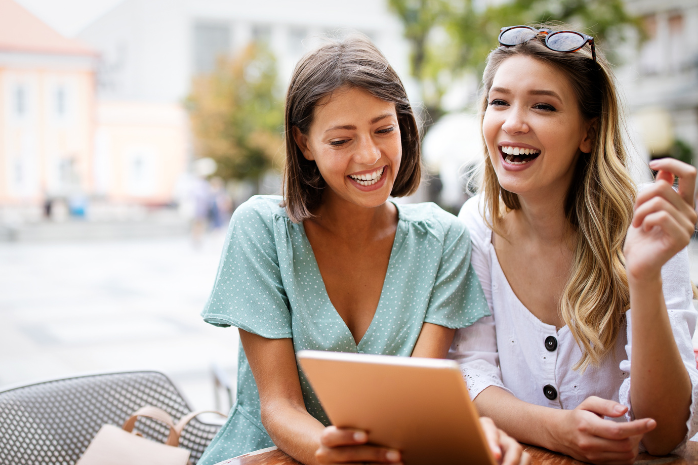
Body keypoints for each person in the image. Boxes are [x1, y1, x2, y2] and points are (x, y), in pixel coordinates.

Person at [198, 36, 527, 465]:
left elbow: (413, 403)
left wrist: (472, 431)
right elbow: (280, 407)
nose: (369, 155)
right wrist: (331, 453)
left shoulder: (443, 239)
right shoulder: (263, 230)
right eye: (341, 141)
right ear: (303, 144)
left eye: (383, 129)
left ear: (403, 125)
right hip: (267, 457)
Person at [450, 24, 698, 465]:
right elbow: (473, 374)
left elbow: (663, 435)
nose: (513, 122)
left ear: (588, 133)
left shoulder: (644, 223)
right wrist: (558, 431)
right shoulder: (478, 224)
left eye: (543, 106)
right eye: (499, 102)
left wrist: (644, 277)